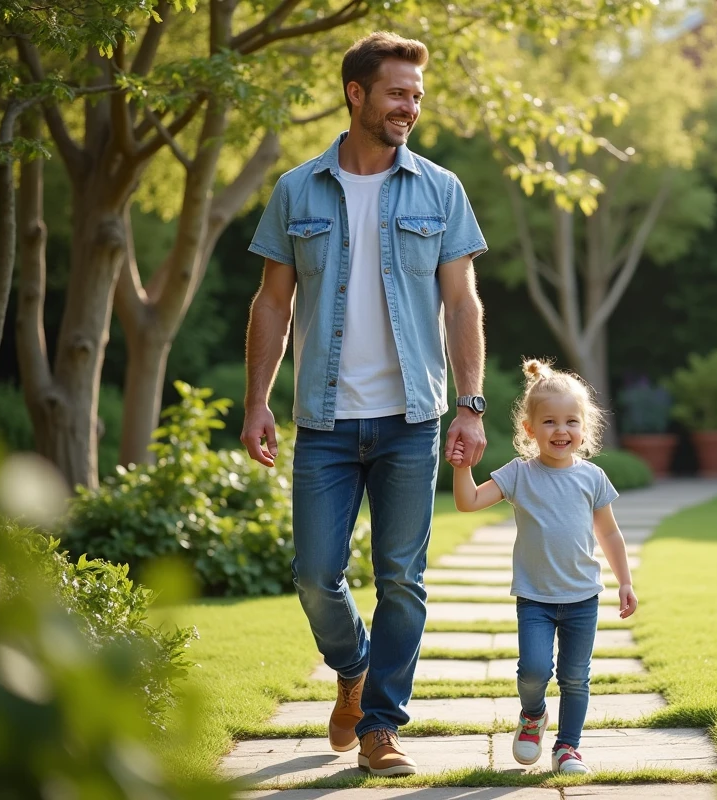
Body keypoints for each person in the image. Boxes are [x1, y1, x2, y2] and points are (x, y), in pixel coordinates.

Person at [240, 31, 489, 778]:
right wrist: (256, 401)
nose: (410, 106)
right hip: (322, 419)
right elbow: (272, 303)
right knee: (315, 575)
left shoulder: (441, 188)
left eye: (416, 94)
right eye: (397, 93)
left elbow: (462, 302)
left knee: (403, 579)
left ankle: (381, 725)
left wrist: (471, 405)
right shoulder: (297, 189)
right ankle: (351, 668)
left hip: (412, 419)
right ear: (357, 94)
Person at [451, 359, 638, 775]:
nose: (561, 430)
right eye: (550, 422)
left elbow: (609, 534)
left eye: (571, 421)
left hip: (582, 597)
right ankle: (532, 715)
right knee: (534, 670)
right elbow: (469, 502)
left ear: (584, 429)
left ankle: (568, 748)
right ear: (530, 429)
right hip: (535, 597)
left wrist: (624, 581)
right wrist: (462, 466)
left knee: (575, 678)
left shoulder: (592, 478)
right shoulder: (519, 474)